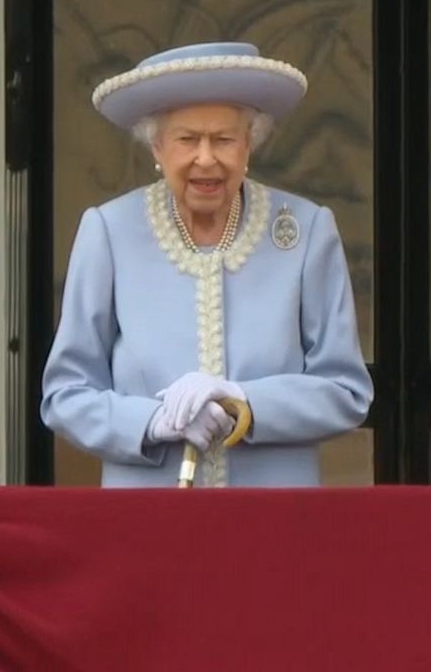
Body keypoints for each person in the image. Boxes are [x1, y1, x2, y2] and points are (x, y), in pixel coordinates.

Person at [41, 41, 373, 487]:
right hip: (147, 519)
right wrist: (151, 422)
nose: (205, 158)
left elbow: (346, 391)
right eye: (186, 139)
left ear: (249, 145)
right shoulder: (110, 231)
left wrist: (244, 401)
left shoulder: (307, 230)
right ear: (156, 146)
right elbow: (64, 395)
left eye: (224, 139)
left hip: (272, 520)